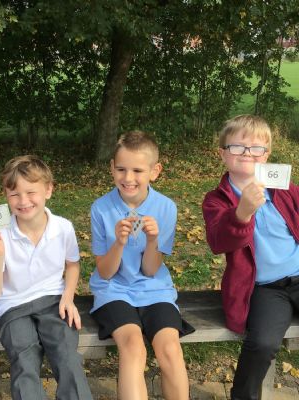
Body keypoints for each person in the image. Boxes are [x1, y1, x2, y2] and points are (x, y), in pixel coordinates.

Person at [89, 131, 194, 400]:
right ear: (112, 168)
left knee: (170, 349)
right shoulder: (101, 208)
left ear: (154, 171)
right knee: (134, 348)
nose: (128, 178)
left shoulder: (166, 208)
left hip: (154, 289)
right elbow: (105, 272)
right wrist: (119, 243)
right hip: (113, 291)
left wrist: (153, 240)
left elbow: (150, 269)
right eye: (121, 169)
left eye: (137, 170)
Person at [202, 114, 299, 400]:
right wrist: (242, 213)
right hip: (266, 289)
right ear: (223, 154)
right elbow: (218, 241)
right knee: (262, 343)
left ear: (266, 154)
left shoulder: (285, 190)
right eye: (237, 146)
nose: (247, 153)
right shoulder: (217, 200)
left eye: (256, 148)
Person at [0, 155, 93, 400]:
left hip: (53, 300)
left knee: (67, 356)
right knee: (24, 359)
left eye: (31, 192)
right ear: (6, 196)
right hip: (12, 306)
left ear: (48, 190)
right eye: (14, 194)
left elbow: (72, 264)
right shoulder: (0, 233)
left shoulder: (62, 227)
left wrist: (68, 297)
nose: (23, 201)